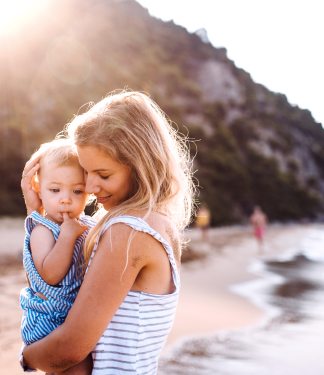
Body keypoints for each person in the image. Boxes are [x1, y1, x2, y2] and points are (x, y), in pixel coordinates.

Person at [19, 91, 195, 374]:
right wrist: (37, 214)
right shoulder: (156, 223)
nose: (89, 187)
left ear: (139, 166)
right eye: (86, 172)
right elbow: (48, 282)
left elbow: (69, 349)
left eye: (103, 174)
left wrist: (28, 357)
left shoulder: (127, 232)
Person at [19, 139, 97, 374]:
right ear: (38, 189)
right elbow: (50, 275)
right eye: (55, 190)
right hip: (50, 319)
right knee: (79, 366)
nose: (66, 198)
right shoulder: (42, 229)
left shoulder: (84, 223)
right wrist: (67, 237)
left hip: (69, 315)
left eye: (77, 190)